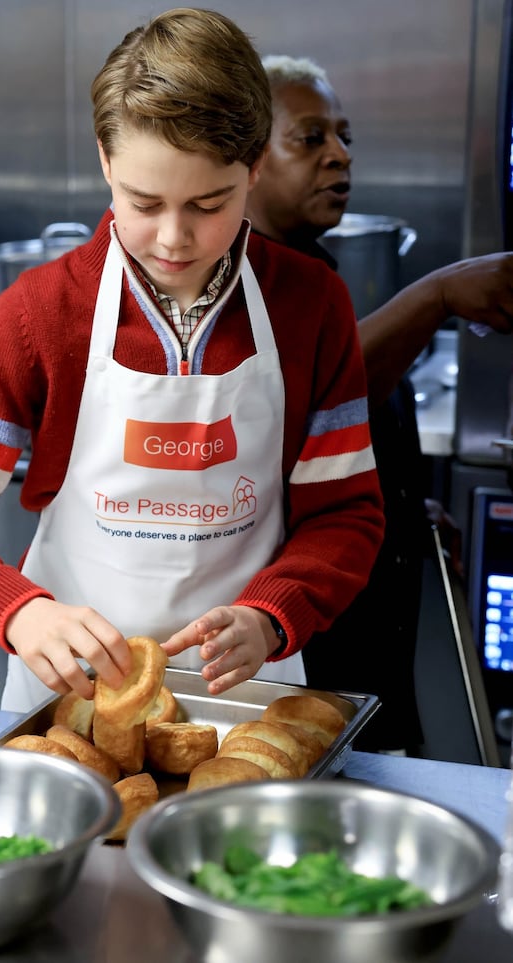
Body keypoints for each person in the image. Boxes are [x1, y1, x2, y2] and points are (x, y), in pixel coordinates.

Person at [0, 9, 384, 715]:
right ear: (106, 161)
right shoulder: (42, 312)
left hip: (243, 695)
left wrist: (272, 615)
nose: (174, 238)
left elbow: (348, 514)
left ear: (254, 167)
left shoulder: (312, 306)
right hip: (70, 697)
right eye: (144, 202)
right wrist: (22, 613)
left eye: (209, 203)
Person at [246, 54, 513, 753]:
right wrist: (438, 294)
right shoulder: (232, 284)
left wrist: (399, 505)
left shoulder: (315, 276)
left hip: (368, 634)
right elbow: (316, 398)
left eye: (344, 136)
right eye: (310, 138)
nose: (339, 156)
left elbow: (340, 440)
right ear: (244, 156)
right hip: (298, 651)